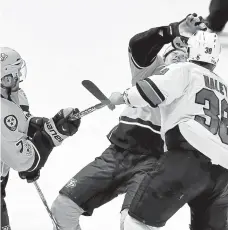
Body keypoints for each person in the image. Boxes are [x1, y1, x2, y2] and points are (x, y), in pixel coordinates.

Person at [50, 13, 206, 230]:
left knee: (134, 225)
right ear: (163, 55)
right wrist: (172, 31)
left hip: (155, 163)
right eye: (175, 53)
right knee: (62, 208)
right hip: (115, 154)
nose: (180, 57)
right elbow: (138, 45)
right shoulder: (152, 70)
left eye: (185, 55)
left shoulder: (193, 84)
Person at [109, 31, 228, 230]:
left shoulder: (184, 69)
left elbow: (152, 91)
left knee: (137, 222)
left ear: (190, 50)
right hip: (223, 173)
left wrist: (123, 96)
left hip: (187, 158)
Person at [1, 47, 81, 230]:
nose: (19, 76)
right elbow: (24, 161)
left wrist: (44, 124)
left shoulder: (13, 94)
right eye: (15, 73)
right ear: (4, 78)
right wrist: (50, 137)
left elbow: (21, 121)